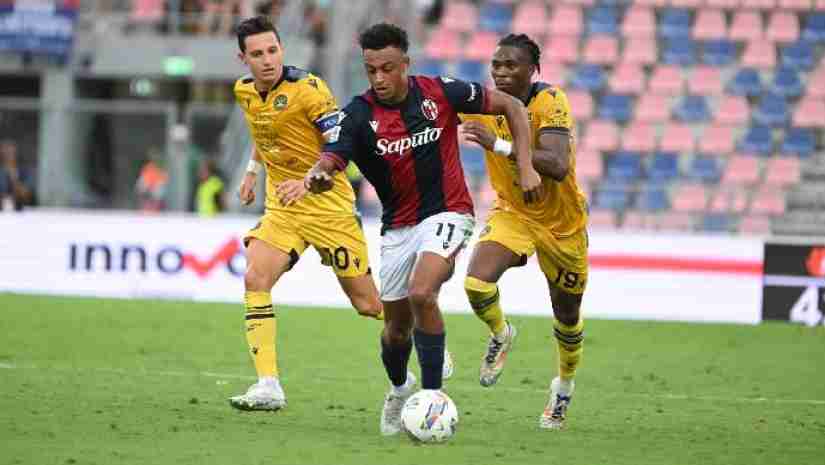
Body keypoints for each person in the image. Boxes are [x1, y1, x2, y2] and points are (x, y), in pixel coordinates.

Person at [293, 23, 543, 436]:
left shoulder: (440, 92)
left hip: (449, 212)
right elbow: (332, 156)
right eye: (371, 70)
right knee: (395, 332)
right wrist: (318, 175)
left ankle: (432, 399)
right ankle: (399, 389)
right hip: (397, 228)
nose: (379, 78)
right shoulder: (357, 114)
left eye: (387, 68)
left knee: (422, 292)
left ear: (405, 64)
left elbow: (513, 107)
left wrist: (527, 165)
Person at [228, 15, 387, 412]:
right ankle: (268, 384)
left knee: (368, 305)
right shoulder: (244, 91)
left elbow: (340, 142)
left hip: (328, 207)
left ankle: (426, 336)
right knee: (255, 277)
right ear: (243, 59)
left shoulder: (309, 90)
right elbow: (263, 130)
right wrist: (252, 171)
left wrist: (307, 181)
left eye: (273, 50)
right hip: (283, 207)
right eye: (257, 54)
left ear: (282, 49)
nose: (268, 60)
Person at [458, 33, 589, 430]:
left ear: (533, 70)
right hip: (513, 213)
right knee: (476, 283)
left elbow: (557, 165)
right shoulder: (480, 103)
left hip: (563, 226)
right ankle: (501, 332)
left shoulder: (550, 101)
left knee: (567, 317)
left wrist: (498, 145)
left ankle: (563, 388)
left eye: (511, 65)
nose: (501, 72)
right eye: (496, 65)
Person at [0, 140, 35, 211]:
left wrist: (13, 176)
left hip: (21, 211)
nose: (8, 154)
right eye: (5, 151)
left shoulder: (25, 171)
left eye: (10, 151)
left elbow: (26, 194)